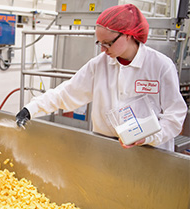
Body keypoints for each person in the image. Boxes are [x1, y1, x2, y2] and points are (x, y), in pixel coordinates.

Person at [16, 4, 188, 151]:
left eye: (108, 43)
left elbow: (175, 115)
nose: (103, 49)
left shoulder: (160, 66)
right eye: (100, 43)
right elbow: (66, 93)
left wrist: (150, 137)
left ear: (128, 35)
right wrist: (31, 109)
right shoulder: (99, 65)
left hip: (150, 151)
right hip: (106, 148)